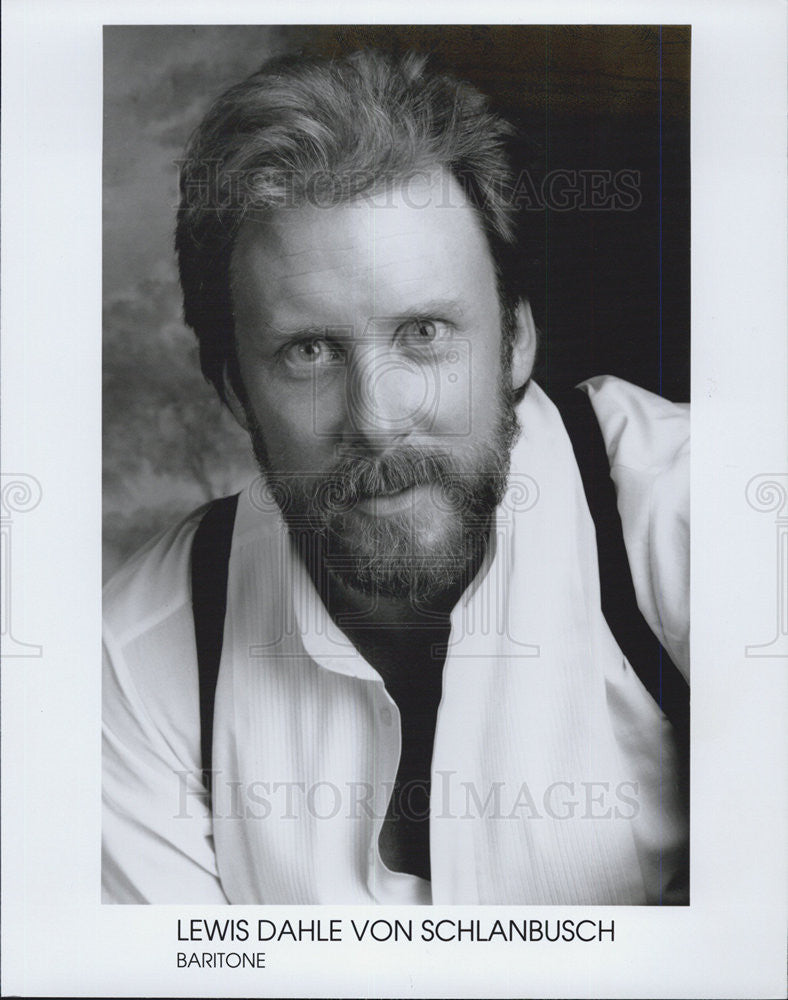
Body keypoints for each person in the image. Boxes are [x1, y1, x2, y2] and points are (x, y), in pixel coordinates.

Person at [102, 49, 689, 905]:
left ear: (516, 341)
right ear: (234, 388)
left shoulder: (695, 516)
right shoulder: (130, 663)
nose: (377, 419)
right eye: (310, 352)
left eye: (424, 333)